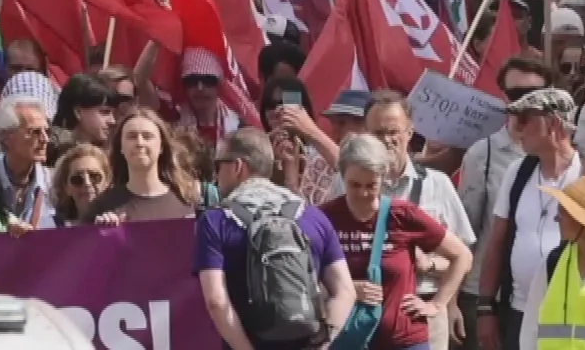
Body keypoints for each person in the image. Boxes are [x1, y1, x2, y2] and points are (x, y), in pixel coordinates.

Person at [194, 128, 355, 350]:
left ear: (238, 166)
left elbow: (216, 301)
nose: (215, 176)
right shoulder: (312, 215)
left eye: (218, 165)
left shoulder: (215, 220)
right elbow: (345, 291)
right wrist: (322, 345)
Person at [322, 133, 473, 350]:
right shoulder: (326, 218)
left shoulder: (401, 214)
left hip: (405, 339)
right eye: (355, 185)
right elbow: (306, 276)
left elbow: (462, 255)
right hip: (347, 339)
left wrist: (437, 304)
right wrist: (347, 288)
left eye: (371, 185)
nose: (363, 193)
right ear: (342, 177)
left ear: (383, 179)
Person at [480, 89, 584, 350]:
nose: (517, 128)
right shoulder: (518, 172)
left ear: (554, 122)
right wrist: (485, 307)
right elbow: (497, 242)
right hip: (518, 311)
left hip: (569, 313)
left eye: (526, 119)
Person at [464, 57, 549, 339]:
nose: (524, 104)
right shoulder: (482, 154)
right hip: (489, 297)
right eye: (516, 95)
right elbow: (466, 232)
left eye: (533, 96)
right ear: (504, 97)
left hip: (547, 296)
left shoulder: (568, 159)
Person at [89, 108, 199, 223]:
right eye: (132, 136)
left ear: (161, 146)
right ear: (121, 147)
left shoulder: (185, 200)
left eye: (147, 136)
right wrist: (101, 233)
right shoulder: (103, 206)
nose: (139, 143)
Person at [530, 176, 585, 348]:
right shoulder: (553, 262)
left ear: (582, 221)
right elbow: (530, 329)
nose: (556, 219)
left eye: (563, 212)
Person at [0, 90, 56, 227]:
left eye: (47, 131)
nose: (45, 139)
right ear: (6, 137)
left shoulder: (54, 183)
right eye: (35, 132)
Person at [56, 72, 121, 153]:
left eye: (113, 113)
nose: (112, 121)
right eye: (105, 112)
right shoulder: (55, 152)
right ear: (78, 112)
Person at [53, 145, 114, 227]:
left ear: (107, 182)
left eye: (94, 176)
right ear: (66, 187)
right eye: (77, 179)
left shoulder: (125, 220)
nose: (87, 183)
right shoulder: (53, 228)